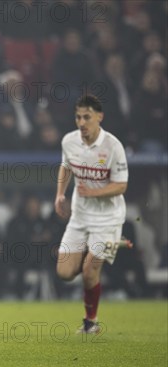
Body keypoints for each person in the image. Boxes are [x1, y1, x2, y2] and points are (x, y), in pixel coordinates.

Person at [54, 94, 129, 334]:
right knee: (64, 272)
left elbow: (121, 185)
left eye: (87, 117)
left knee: (89, 272)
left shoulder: (113, 146)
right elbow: (66, 166)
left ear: (100, 117)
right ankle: (95, 250)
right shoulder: (69, 141)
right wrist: (60, 194)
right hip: (80, 217)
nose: (82, 122)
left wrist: (95, 193)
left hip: (108, 219)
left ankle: (90, 323)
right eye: (78, 117)